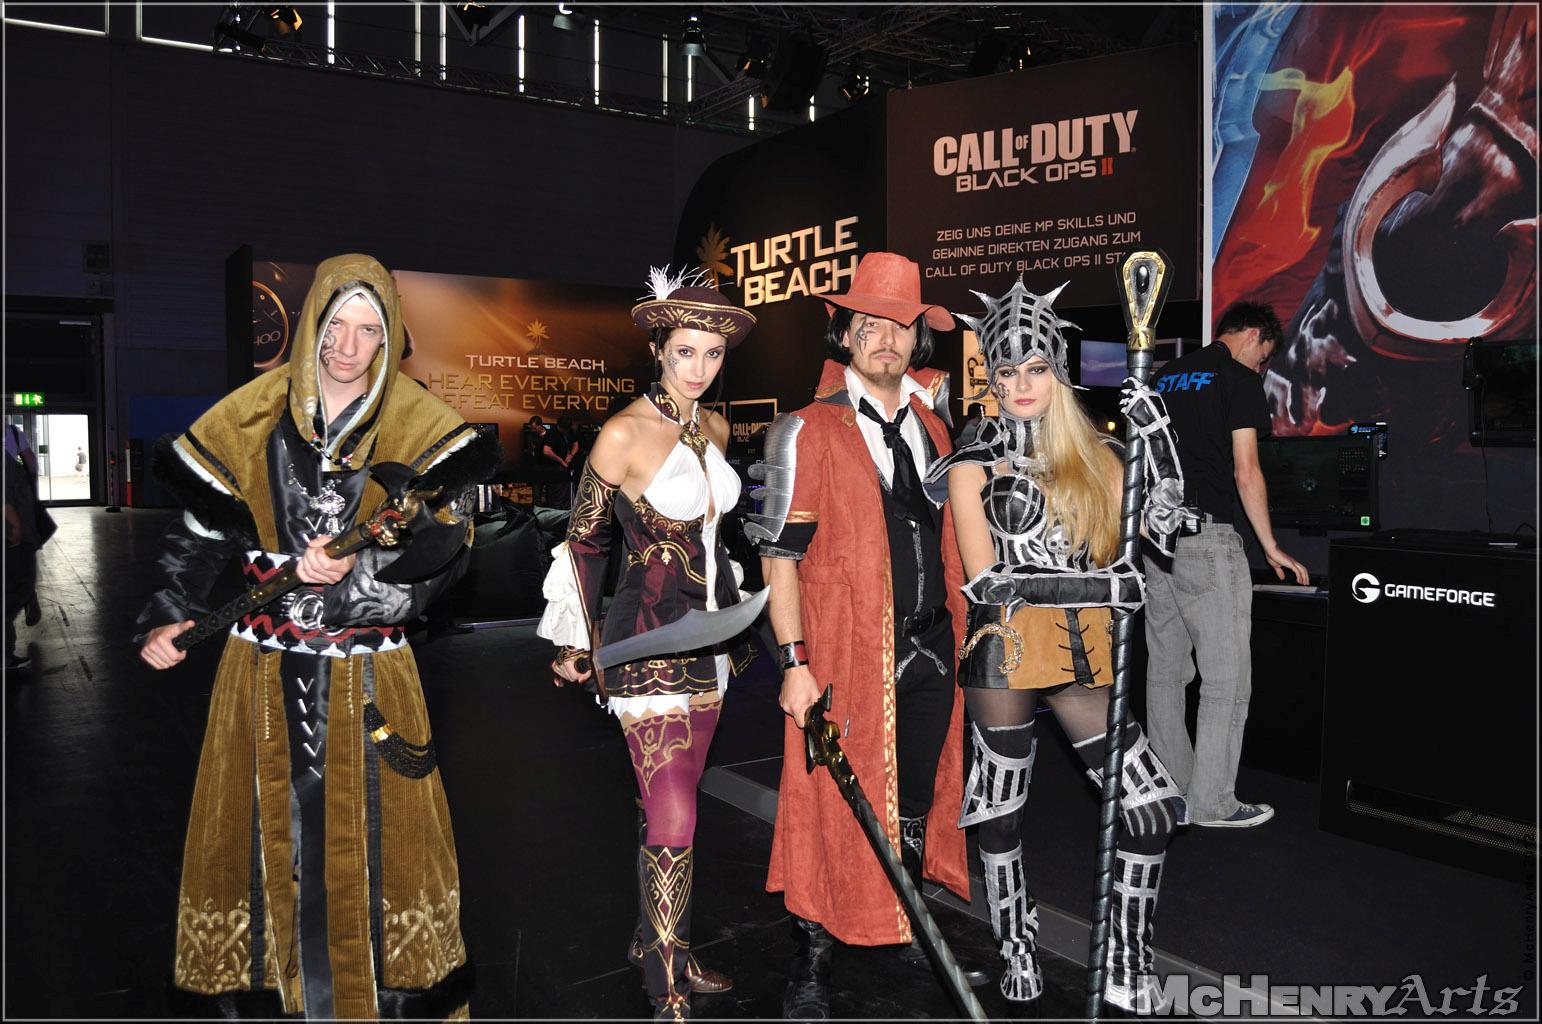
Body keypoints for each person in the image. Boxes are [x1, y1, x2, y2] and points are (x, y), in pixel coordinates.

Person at [137, 254, 500, 1019]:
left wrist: (356, 578)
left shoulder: (421, 423)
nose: (348, 345)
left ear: (389, 337)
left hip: (369, 669)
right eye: (337, 325)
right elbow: (199, 533)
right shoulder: (249, 415)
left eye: (369, 330)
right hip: (261, 665)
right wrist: (168, 609)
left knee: (385, 834)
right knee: (255, 829)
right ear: (311, 326)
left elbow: (447, 548)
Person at [923, 279, 1190, 1013]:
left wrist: (1157, 435)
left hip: (1083, 653)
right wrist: (1105, 586)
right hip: (1006, 651)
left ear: (1059, 372)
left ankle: (1124, 962)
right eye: (1006, 371)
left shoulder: (1099, 454)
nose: (1020, 385)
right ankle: (1016, 943)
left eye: (1035, 368)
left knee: (1152, 808)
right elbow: (988, 582)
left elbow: (1167, 526)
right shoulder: (975, 460)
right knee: (1001, 814)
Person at [751, 251, 983, 1020]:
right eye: (870, 325)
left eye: (901, 327)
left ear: (918, 339)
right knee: (827, 803)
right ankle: (812, 954)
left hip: (929, 649)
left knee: (910, 798)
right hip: (842, 656)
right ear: (844, 335)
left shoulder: (935, 428)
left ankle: (901, 911)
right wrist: (794, 664)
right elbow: (779, 558)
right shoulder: (803, 430)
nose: (886, 339)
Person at [539, 267, 756, 1022]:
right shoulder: (624, 433)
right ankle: (666, 987)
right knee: (674, 816)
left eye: (712, 355)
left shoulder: (716, 429)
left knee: (671, 800)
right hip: (645, 646)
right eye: (685, 352)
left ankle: (657, 940)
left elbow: (715, 538)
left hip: (713, 645)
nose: (698, 368)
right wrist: (578, 643)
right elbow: (584, 544)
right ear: (658, 348)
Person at [1145, 300, 1309, 829]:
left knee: (1165, 674)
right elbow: (1246, 470)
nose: (1263, 366)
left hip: (1156, 544)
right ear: (1255, 335)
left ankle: (1172, 790)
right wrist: (1270, 545)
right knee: (1226, 680)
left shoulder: (1164, 377)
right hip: (1207, 540)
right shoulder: (1238, 380)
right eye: (1265, 356)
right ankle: (1213, 802)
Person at [5, 423, 42, 668]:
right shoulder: (13, 434)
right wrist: (16, 524)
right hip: (14, 532)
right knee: (18, 584)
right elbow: (32, 464)